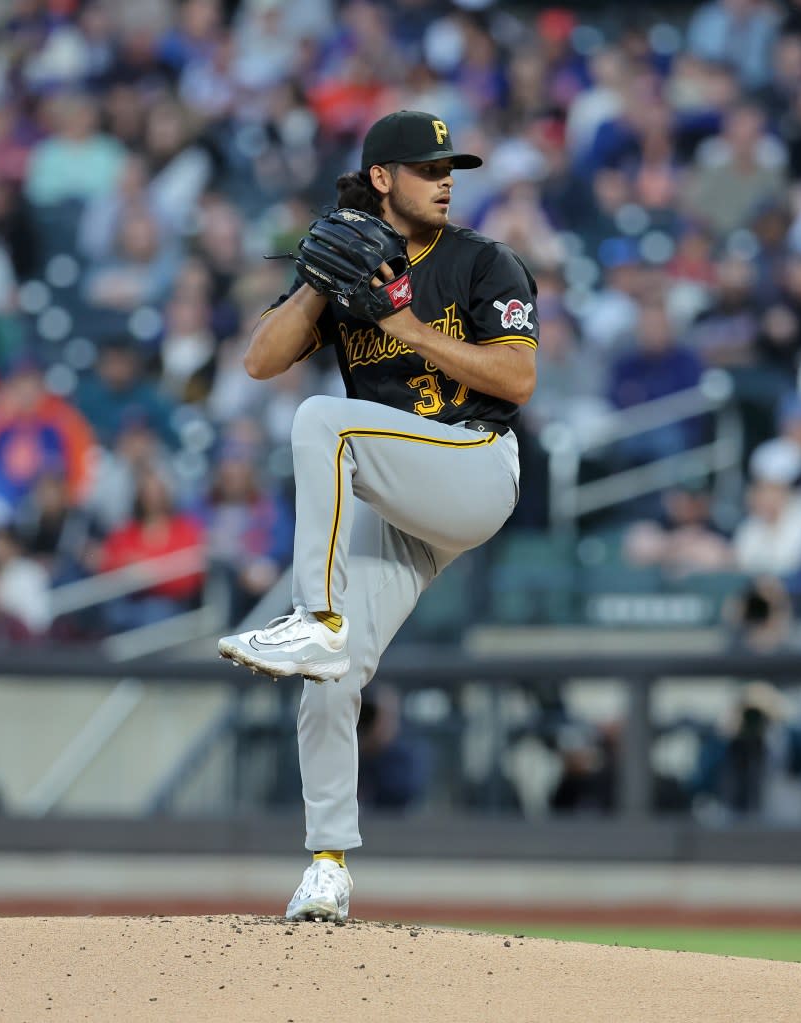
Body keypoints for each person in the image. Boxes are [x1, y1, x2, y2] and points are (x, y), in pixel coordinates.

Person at [217, 110, 538, 921]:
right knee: (329, 678)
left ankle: (314, 614)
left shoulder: (481, 260)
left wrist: (400, 325)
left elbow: (516, 380)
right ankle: (326, 864)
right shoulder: (349, 263)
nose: (446, 179)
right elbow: (259, 360)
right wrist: (321, 283)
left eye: (451, 166)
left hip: (471, 465)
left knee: (323, 420)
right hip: (397, 498)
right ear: (384, 178)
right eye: (429, 167)